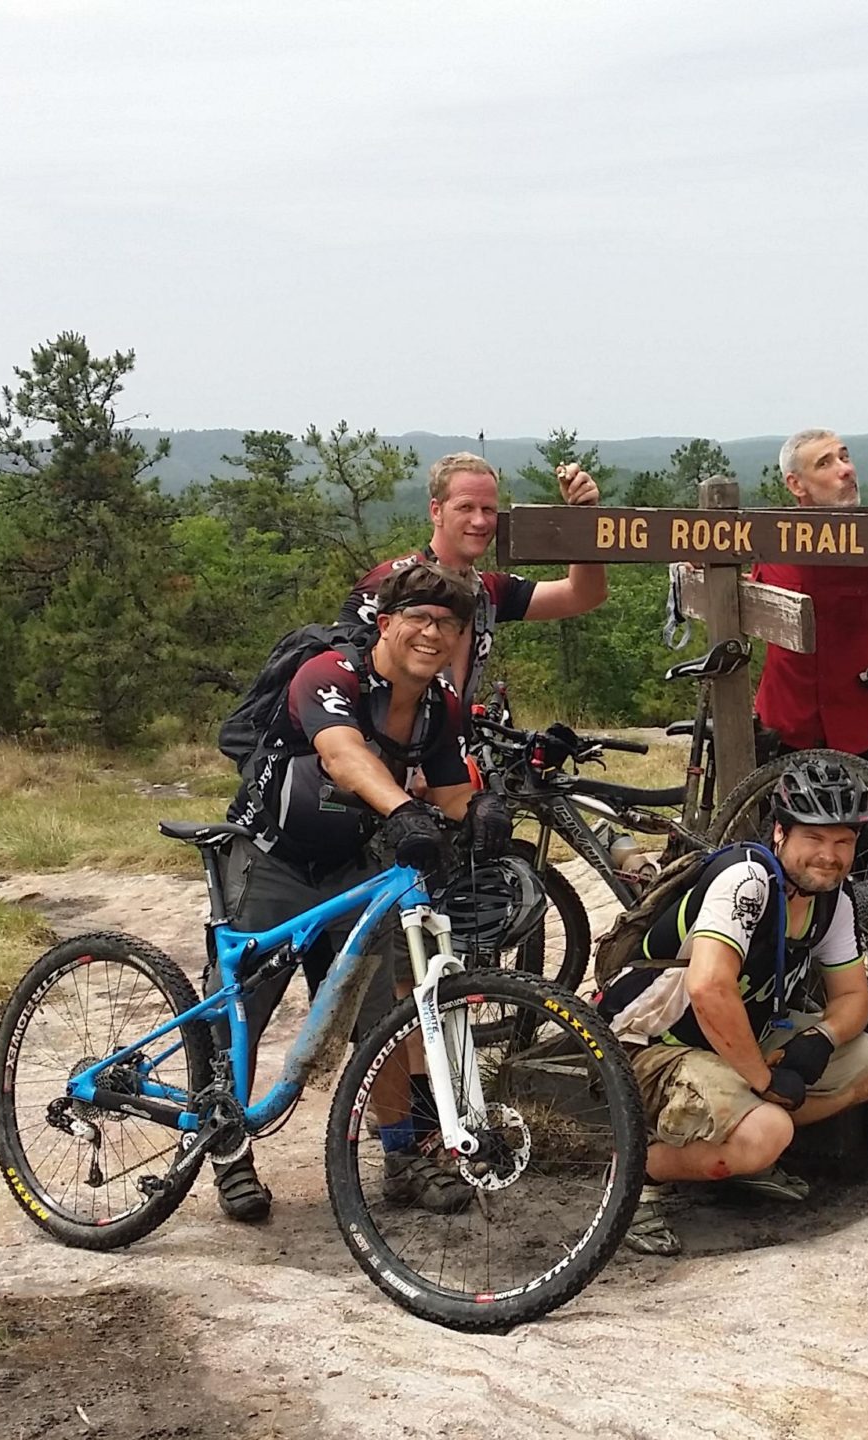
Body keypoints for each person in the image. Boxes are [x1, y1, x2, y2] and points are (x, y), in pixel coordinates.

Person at [217, 559, 503, 1223]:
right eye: (420, 618)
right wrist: (403, 809)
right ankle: (229, 1151)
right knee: (243, 1012)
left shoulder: (439, 702)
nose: (434, 633)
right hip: (267, 860)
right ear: (386, 621)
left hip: (349, 866)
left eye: (449, 624)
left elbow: (455, 786)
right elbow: (343, 754)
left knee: (378, 1021)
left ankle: (401, 1159)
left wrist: (482, 809)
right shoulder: (329, 675)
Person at [596, 757, 868, 1256]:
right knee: (768, 1131)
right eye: (814, 839)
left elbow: (852, 996)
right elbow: (709, 986)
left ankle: (733, 1144)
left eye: (843, 842)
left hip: (733, 1039)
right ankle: (634, 1168)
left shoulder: (832, 901)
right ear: (780, 832)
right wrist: (764, 1081)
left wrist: (818, 1042)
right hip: (651, 1042)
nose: (830, 856)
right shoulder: (748, 880)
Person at [338, 451, 607, 699]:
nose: (479, 521)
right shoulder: (388, 584)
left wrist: (583, 518)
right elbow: (334, 675)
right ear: (436, 511)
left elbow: (583, 594)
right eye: (465, 507)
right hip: (377, 747)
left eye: (488, 509)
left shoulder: (487, 592)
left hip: (450, 747)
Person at [753, 429, 868, 772]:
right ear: (796, 485)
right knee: (771, 828)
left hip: (860, 734)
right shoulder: (770, 542)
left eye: (845, 457)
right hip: (784, 731)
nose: (846, 469)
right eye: (826, 463)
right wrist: (702, 566)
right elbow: (742, 604)